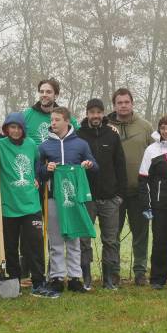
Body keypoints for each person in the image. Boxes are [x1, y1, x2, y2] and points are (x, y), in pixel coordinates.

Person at [0, 112, 58, 299]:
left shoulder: (32, 145)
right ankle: (14, 280)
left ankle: (39, 282)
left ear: (23, 130)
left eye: (18, 128)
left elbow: (38, 166)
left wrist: (39, 178)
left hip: (31, 205)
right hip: (9, 207)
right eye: (12, 127)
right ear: (7, 129)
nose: (15, 131)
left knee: (35, 244)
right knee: (10, 247)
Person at [38, 107, 97, 293]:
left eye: (56, 120)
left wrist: (88, 165)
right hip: (54, 198)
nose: (52, 123)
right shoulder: (45, 146)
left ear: (67, 121)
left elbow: (95, 165)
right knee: (55, 240)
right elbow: (38, 172)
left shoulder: (80, 144)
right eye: (51, 120)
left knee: (74, 238)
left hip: (75, 199)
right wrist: (47, 169)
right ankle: (56, 277)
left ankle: (74, 277)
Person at [76, 98, 127, 290]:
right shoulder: (79, 136)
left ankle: (109, 279)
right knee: (83, 240)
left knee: (111, 240)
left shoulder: (112, 135)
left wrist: (120, 194)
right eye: (92, 112)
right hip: (86, 199)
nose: (95, 116)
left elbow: (120, 165)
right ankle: (86, 278)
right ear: (87, 113)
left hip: (110, 198)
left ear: (103, 113)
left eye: (99, 112)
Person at [107, 88, 155, 286]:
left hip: (139, 192)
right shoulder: (106, 127)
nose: (123, 105)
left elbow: (158, 151)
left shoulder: (145, 126)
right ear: (114, 105)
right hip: (115, 193)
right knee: (112, 235)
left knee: (141, 234)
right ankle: (114, 272)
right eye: (119, 102)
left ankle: (140, 272)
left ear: (132, 103)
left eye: (127, 102)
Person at [138, 114, 167, 290]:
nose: (166, 131)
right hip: (160, 205)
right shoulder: (152, 149)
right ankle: (158, 280)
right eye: (163, 128)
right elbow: (143, 179)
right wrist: (146, 204)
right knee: (161, 243)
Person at [22, 79, 79, 145]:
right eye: (41, 92)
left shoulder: (64, 115)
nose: (44, 95)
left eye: (48, 92)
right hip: (34, 154)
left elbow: (82, 133)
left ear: (56, 95)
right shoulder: (26, 115)